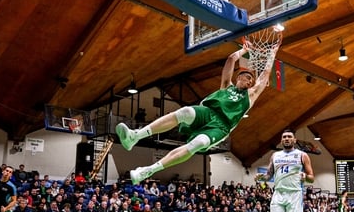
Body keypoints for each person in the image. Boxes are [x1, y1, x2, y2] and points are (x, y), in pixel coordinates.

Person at [117, 43, 276, 184]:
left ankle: (147, 171)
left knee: (197, 144)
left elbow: (264, 76)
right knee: (185, 111)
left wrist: (272, 54)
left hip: (220, 126)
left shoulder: (250, 95)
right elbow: (230, 60)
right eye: (242, 75)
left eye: (249, 77)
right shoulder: (227, 86)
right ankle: (135, 136)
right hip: (207, 111)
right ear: (238, 77)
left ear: (250, 83)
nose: (245, 78)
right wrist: (243, 51)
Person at [255, 129, 314, 212]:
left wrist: (305, 176)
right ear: (281, 141)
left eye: (289, 137)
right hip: (278, 194)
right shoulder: (275, 156)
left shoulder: (302, 155)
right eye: (284, 137)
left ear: (294, 140)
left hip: (294, 195)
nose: (287, 139)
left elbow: (312, 177)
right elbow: (269, 175)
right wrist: (262, 177)